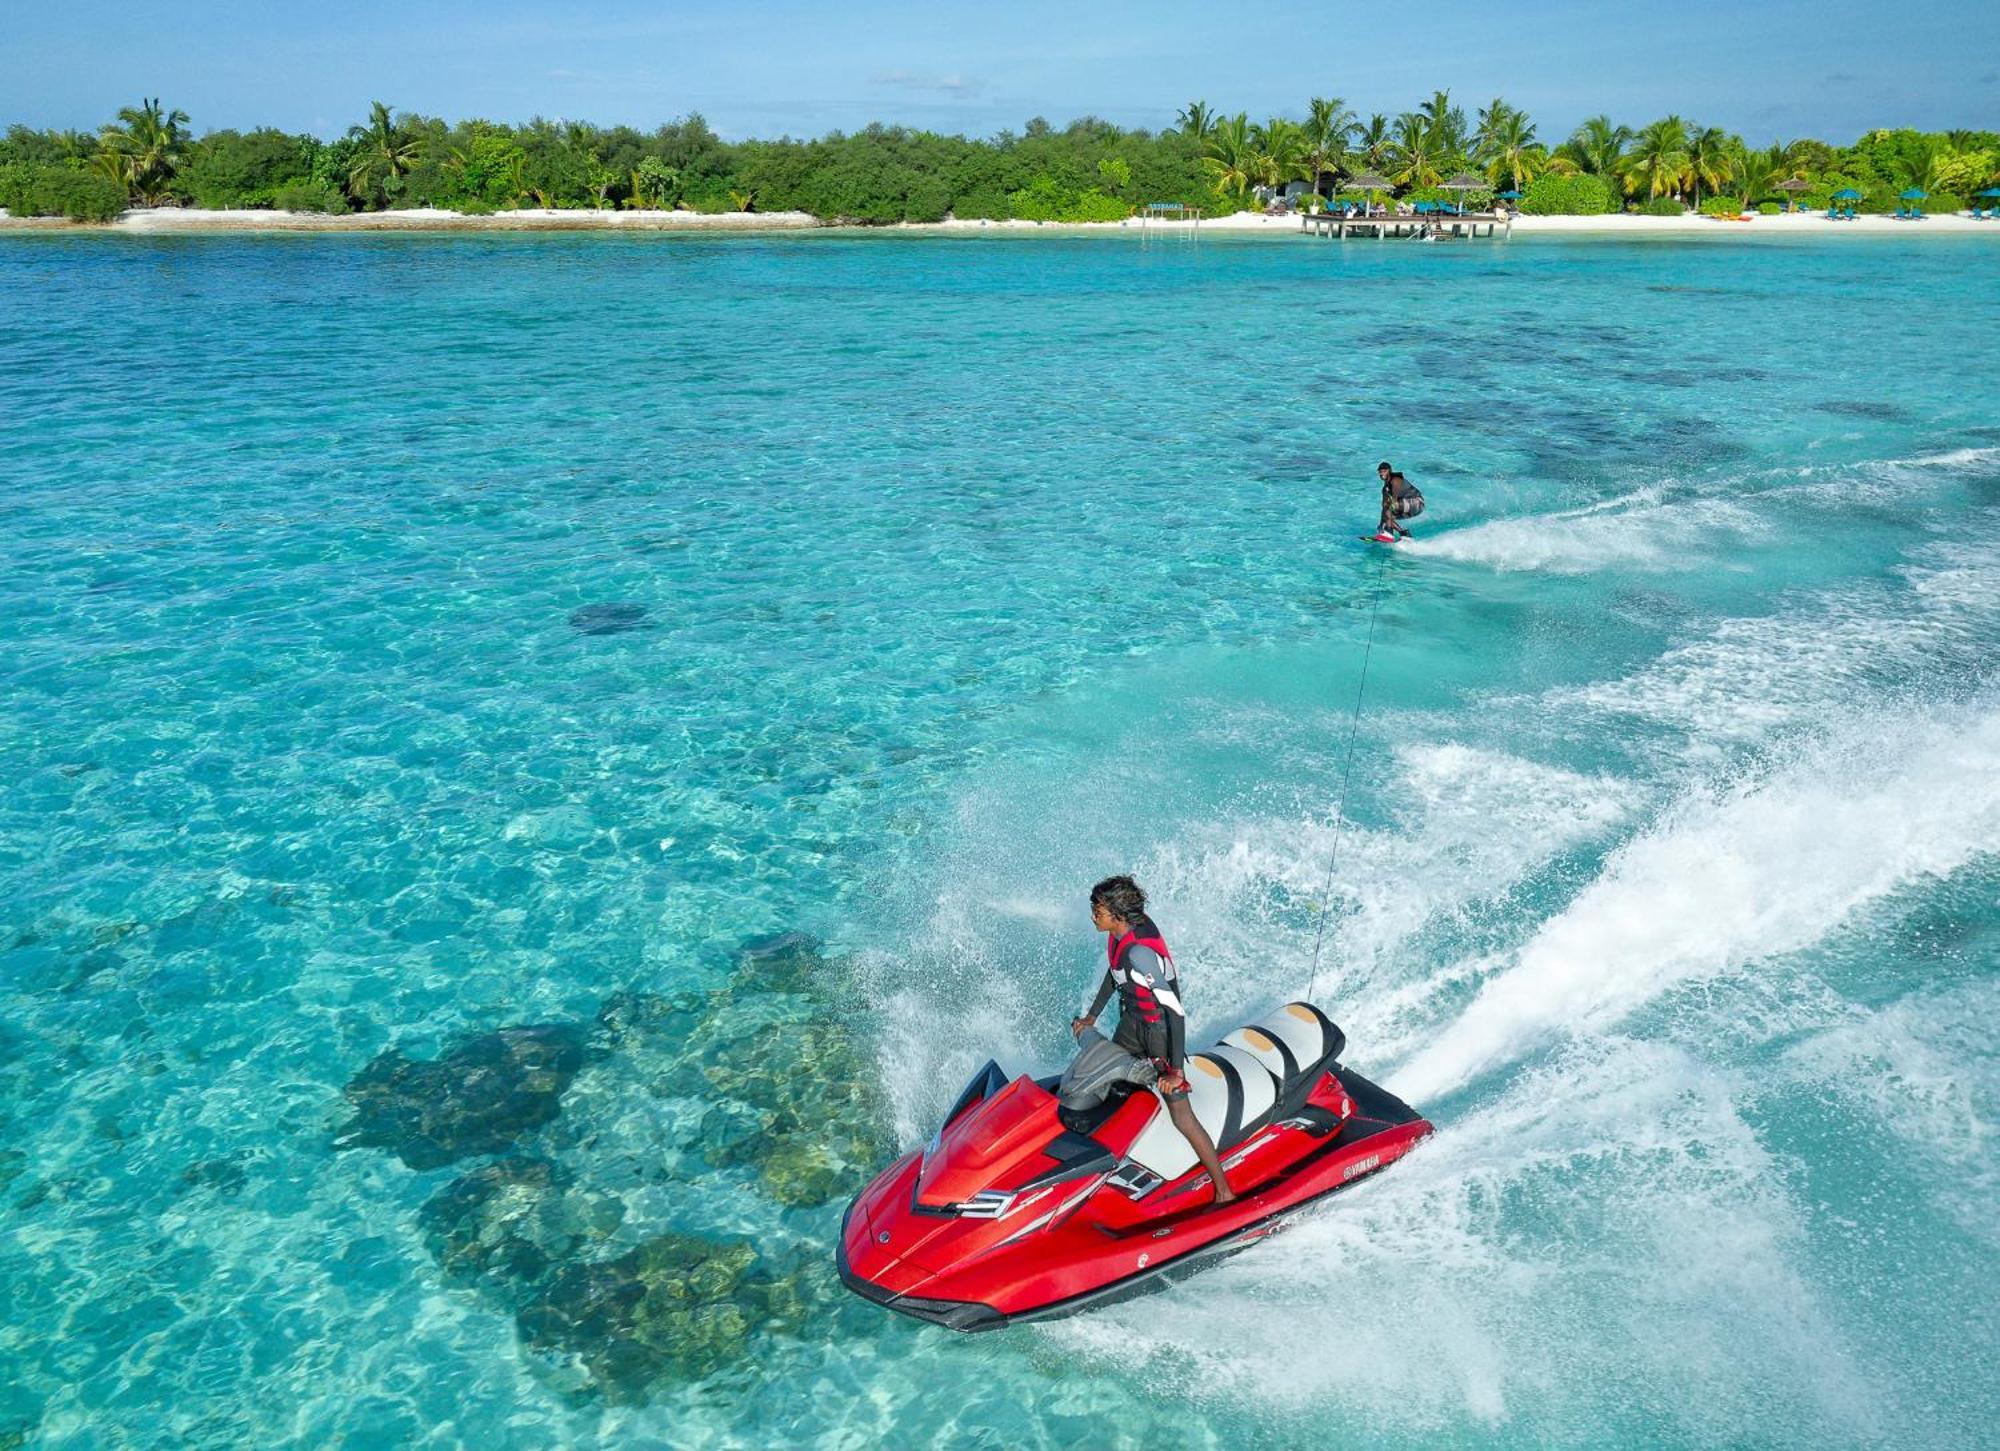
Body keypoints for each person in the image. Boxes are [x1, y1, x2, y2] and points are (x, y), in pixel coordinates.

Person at [1069, 875, 1236, 1204]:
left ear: (1116, 914)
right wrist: (1092, 1016)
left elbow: (1175, 1012)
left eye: (1098, 911)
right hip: (1132, 1023)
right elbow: (1114, 972)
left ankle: (1224, 1191)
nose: (1093, 916)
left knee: (1181, 1116)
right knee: (1109, 1080)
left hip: (1159, 1032)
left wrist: (1176, 1071)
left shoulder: (1140, 955)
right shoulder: (1120, 935)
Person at [1376, 462, 1423, 539]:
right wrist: (1381, 523)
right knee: (1386, 517)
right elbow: (1384, 506)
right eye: (1380, 472)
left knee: (1389, 509)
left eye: (1384, 471)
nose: (1381, 474)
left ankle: (1389, 534)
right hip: (1406, 506)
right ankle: (1404, 534)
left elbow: (1395, 495)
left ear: (1389, 471)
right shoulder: (1385, 489)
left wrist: (1391, 504)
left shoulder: (1396, 479)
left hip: (1417, 502)